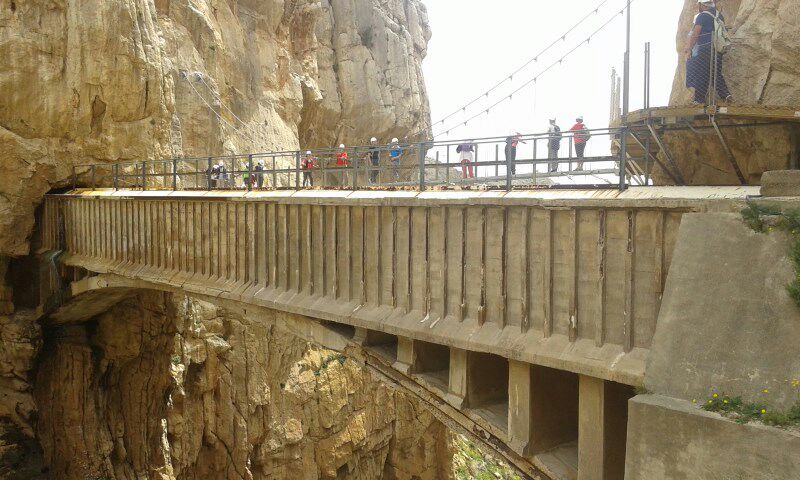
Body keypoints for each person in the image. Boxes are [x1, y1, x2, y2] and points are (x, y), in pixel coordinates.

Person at [686, 0, 732, 104]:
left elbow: (696, 33)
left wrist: (689, 49)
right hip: (718, 48)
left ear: (703, 5)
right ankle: (726, 95)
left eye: (699, 4)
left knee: (702, 73)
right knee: (716, 74)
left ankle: (698, 100)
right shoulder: (719, 16)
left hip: (705, 47)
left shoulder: (702, 16)